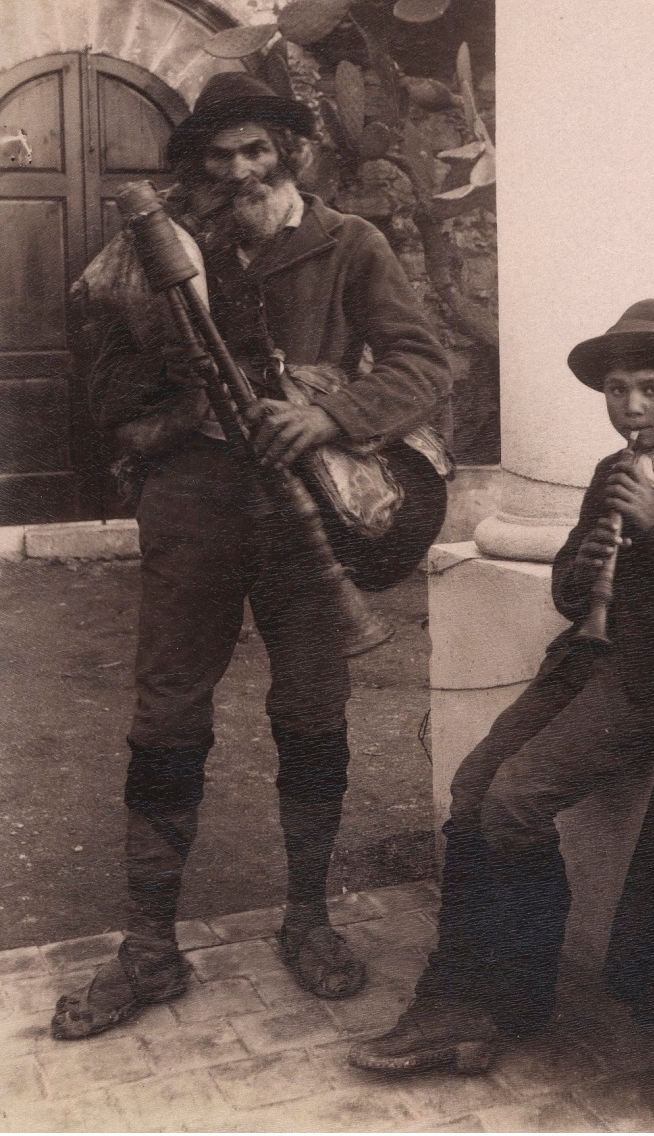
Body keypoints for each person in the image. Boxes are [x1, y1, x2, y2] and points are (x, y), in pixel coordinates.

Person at [51, 72, 451, 1040]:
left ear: (290, 153)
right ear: (198, 166)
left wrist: (327, 413)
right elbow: (101, 383)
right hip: (192, 503)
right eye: (220, 157)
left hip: (303, 507)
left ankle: (305, 918)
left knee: (310, 711)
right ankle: (148, 943)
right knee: (167, 712)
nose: (238, 172)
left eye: (256, 151)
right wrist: (178, 410)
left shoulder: (349, 243)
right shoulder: (147, 257)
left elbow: (421, 362)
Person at [349, 299, 654, 1076]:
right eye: (617, 390)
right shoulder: (610, 470)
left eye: (650, 388)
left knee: (516, 799)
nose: (630, 406)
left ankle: (507, 995)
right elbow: (562, 587)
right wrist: (581, 573)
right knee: (473, 786)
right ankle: (462, 991)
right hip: (589, 655)